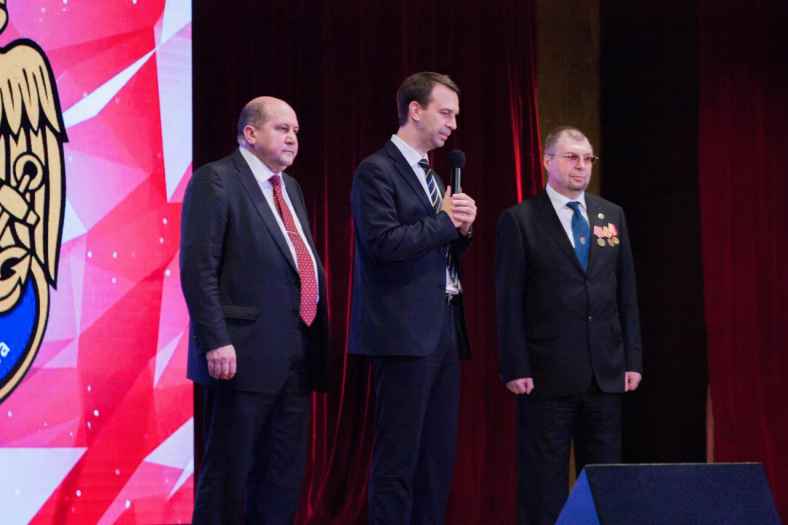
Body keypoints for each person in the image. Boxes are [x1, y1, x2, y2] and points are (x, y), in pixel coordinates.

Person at [180, 96, 329, 525]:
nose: (293, 138)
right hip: (240, 357)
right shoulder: (216, 180)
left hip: (295, 356)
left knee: (281, 479)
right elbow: (198, 268)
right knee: (228, 476)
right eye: (282, 128)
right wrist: (215, 340)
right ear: (250, 133)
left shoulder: (290, 187)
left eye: (296, 130)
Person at [495, 126, 643, 525]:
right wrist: (515, 366)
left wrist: (632, 358)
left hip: (604, 374)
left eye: (587, 158)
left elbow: (626, 292)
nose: (581, 166)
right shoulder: (520, 220)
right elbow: (508, 302)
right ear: (548, 161)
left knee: (605, 483)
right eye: (572, 157)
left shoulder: (611, 215)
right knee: (544, 486)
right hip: (546, 376)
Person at [349, 72, 477, 524]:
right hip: (402, 332)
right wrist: (445, 222)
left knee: (436, 459)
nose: (453, 125)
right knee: (398, 459)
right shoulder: (376, 170)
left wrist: (462, 230)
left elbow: (436, 248)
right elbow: (383, 243)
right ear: (415, 110)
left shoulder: (433, 175)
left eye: (456, 116)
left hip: (442, 327)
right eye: (446, 113)